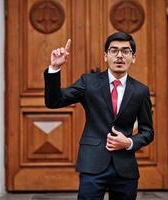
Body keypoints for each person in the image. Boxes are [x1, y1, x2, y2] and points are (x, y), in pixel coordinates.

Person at [44, 32, 154, 200]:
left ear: (133, 57)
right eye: (114, 50)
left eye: (125, 51)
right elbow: (54, 101)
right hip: (92, 164)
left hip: (125, 168)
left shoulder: (141, 91)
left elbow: (147, 132)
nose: (119, 56)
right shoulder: (89, 82)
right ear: (105, 56)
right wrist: (55, 68)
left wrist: (129, 142)